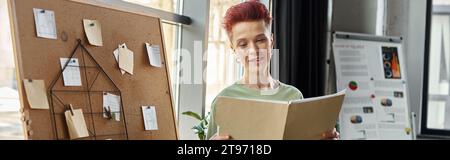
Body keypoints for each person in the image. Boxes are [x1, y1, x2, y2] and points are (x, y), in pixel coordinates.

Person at [206, 0, 339, 140]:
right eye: (243, 44)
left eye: (260, 40)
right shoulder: (224, 101)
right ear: (234, 50)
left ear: (271, 41)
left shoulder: (294, 96)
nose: (254, 50)